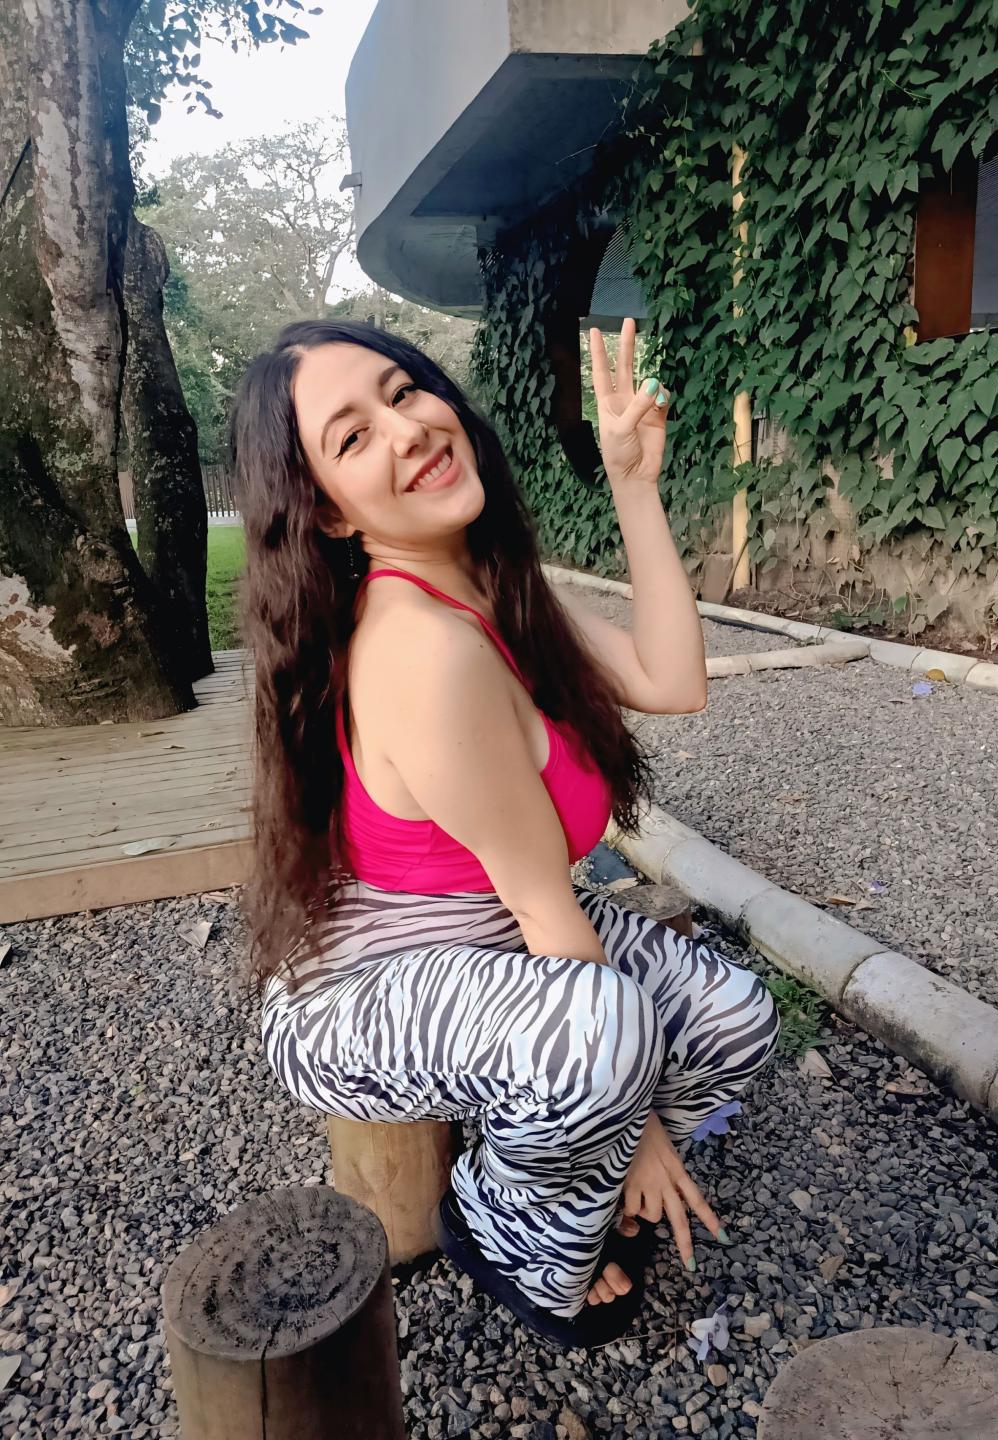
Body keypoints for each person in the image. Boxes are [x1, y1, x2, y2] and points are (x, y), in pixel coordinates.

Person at [231, 315, 779, 1349]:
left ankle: (557, 1163)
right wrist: (638, 1131)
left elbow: (672, 679)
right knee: (604, 1042)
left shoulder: (486, 586)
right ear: (331, 512)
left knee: (732, 1018)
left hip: (487, 940)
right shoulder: (424, 651)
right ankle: (502, 1224)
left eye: (403, 392)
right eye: (354, 438)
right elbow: (544, 908)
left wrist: (633, 485)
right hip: (358, 995)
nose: (406, 431)